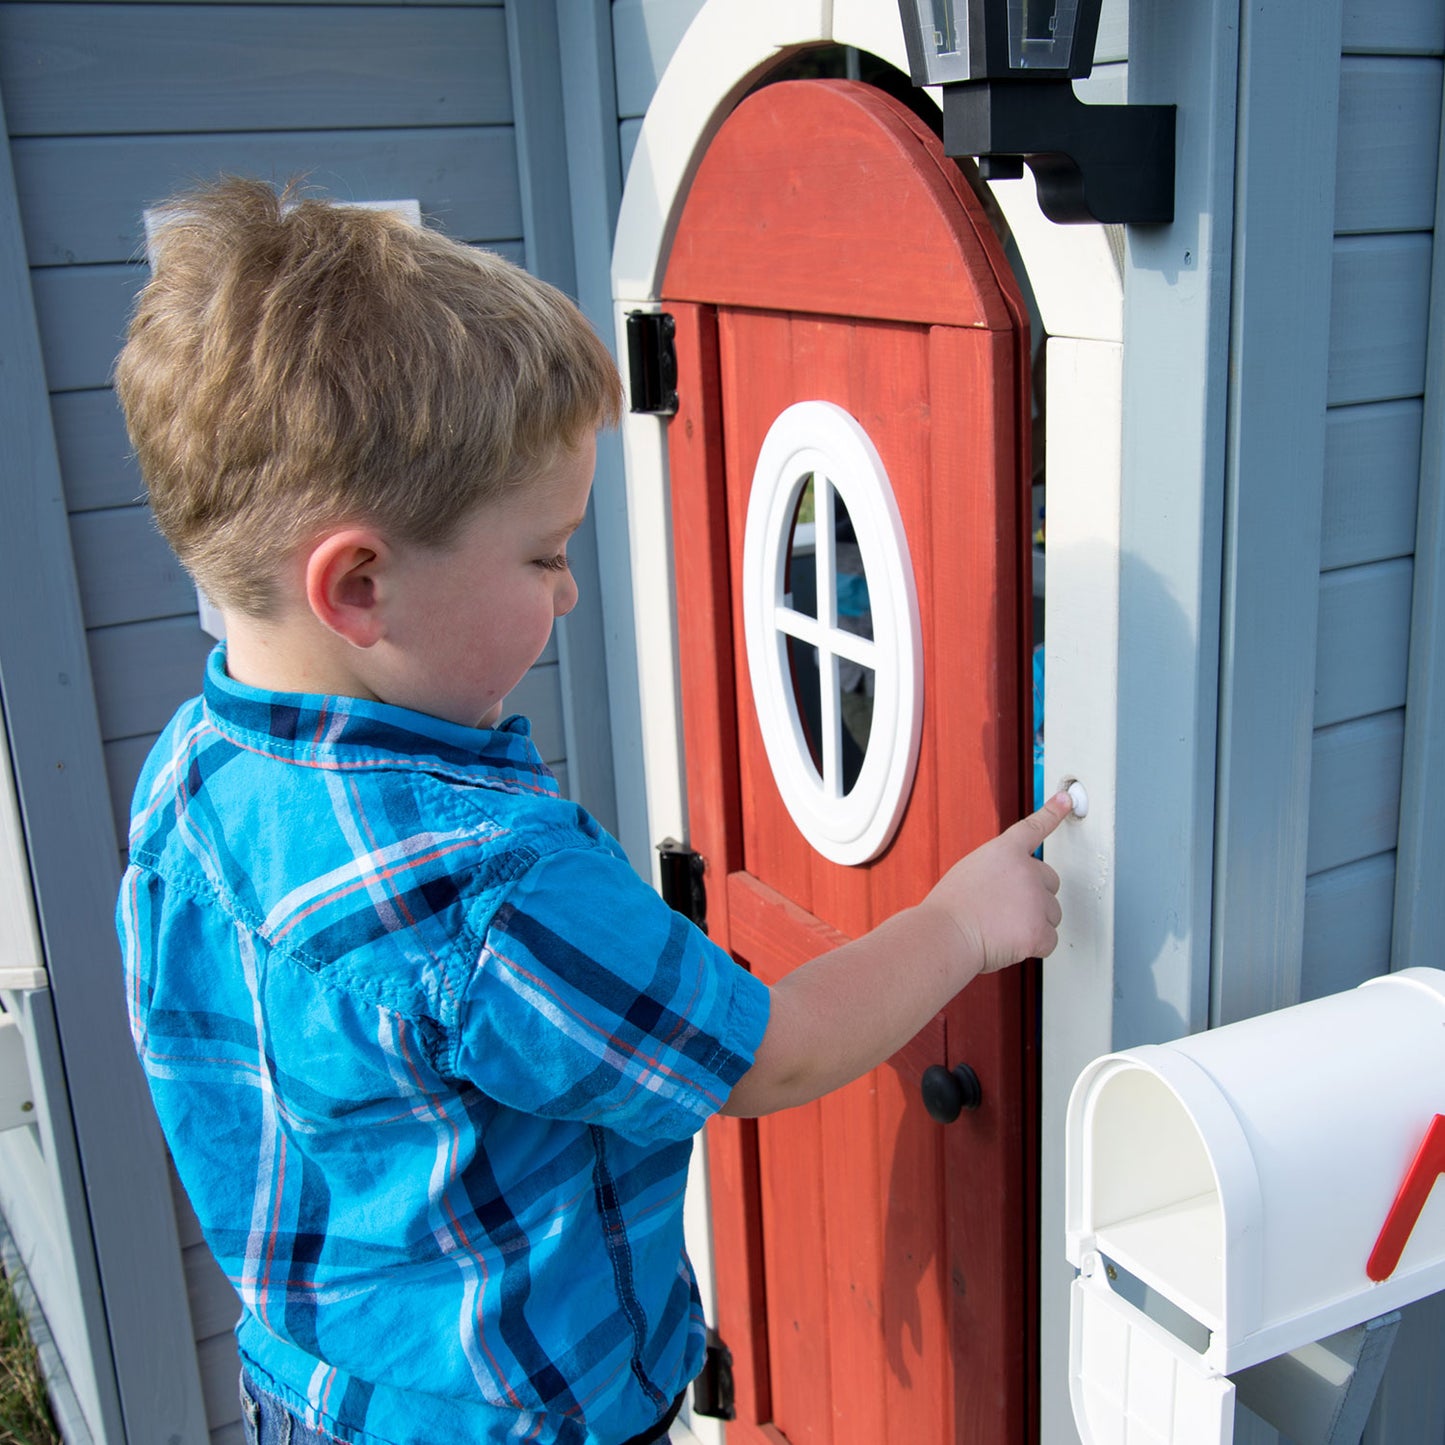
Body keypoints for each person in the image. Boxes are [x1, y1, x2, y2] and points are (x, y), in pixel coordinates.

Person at [114, 178, 1070, 1445]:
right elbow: (767, 1050)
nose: (568, 594)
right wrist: (959, 920)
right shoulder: (484, 887)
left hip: (313, 1394)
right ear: (358, 583)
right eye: (542, 554)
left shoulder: (190, 775)